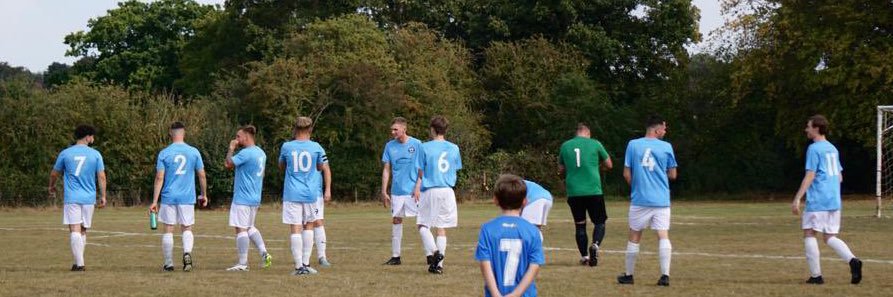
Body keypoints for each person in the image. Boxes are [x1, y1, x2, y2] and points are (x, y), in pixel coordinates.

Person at [792, 114, 862, 285]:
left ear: (816, 128)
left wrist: (797, 198)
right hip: (833, 200)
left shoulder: (814, 149)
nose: (806, 129)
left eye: (808, 126)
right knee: (829, 236)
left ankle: (816, 276)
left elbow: (810, 174)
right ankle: (853, 260)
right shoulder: (832, 148)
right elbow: (839, 177)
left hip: (818, 199)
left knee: (809, 232)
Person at [617, 115, 676, 286]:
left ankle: (629, 275)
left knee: (635, 235)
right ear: (657, 129)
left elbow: (626, 173)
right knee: (662, 234)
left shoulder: (633, 144)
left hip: (640, 198)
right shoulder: (666, 147)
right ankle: (665, 275)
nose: (665, 131)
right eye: (664, 128)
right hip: (661, 199)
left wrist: (637, 186)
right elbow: (673, 174)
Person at [149, 121, 209, 272]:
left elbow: (159, 178)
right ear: (184, 133)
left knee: (168, 229)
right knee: (187, 227)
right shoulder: (194, 152)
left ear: (171, 133)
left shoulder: (164, 153)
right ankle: (187, 254)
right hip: (187, 196)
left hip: (169, 196)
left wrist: (154, 201)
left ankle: (168, 263)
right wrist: (204, 194)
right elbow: (201, 174)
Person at [475, 174, 544, 297]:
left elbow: (485, 264)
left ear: (495, 200)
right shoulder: (532, 231)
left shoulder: (488, 229)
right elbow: (534, 266)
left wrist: (495, 294)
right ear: (525, 201)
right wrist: (516, 294)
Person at [49, 125, 107, 271]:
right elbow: (101, 176)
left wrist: (51, 186)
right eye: (92, 136)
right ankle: (78, 263)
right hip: (89, 198)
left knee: (74, 229)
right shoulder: (95, 154)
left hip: (72, 197)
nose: (93, 139)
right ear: (87, 137)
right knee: (82, 230)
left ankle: (79, 264)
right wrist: (103, 195)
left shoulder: (65, 153)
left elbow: (54, 174)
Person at [278, 117, 331, 276]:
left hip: (292, 193)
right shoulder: (316, 147)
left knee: (295, 228)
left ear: (294, 129)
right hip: (310, 193)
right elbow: (320, 167)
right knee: (309, 226)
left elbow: (281, 166)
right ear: (310, 130)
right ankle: (307, 264)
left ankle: (298, 266)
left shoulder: (286, 146)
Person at [557, 123, 612, 266]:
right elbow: (609, 164)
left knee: (580, 225)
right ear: (588, 133)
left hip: (574, 191)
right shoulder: (595, 144)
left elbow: (561, 169)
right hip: (593, 190)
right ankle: (595, 245)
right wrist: (596, 166)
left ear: (577, 133)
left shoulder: (565, 146)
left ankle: (584, 256)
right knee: (599, 222)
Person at [414, 116, 462, 274]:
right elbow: (454, 168)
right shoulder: (454, 147)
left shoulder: (424, 147)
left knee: (422, 224)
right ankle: (438, 267)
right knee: (441, 228)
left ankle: (435, 253)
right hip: (448, 191)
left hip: (431, 189)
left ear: (432, 129)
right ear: (445, 130)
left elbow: (420, 170)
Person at [224, 125, 272, 271]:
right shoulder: (261, 153)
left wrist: (231, 148)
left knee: (241, 229)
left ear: (246, 136)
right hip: (255, 197)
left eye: (238, 136)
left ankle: (242, 263)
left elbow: (228, 163)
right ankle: (264, 253)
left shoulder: (246, 153)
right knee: (250, 227)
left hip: (242, 197)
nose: (236, 139)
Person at [380, 117, 423, 265]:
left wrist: (418, 186)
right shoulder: (389, 146)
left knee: (422, 221)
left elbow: (422, 168)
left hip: (413, 191)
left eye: (395, 129)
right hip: (397, 191)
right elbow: (386, 169)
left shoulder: (417, 144)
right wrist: (384, 190)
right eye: (392, 129)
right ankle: (396, 256)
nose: (393, 132)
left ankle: (431, 254)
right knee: (396, 219)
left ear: (404, 129)